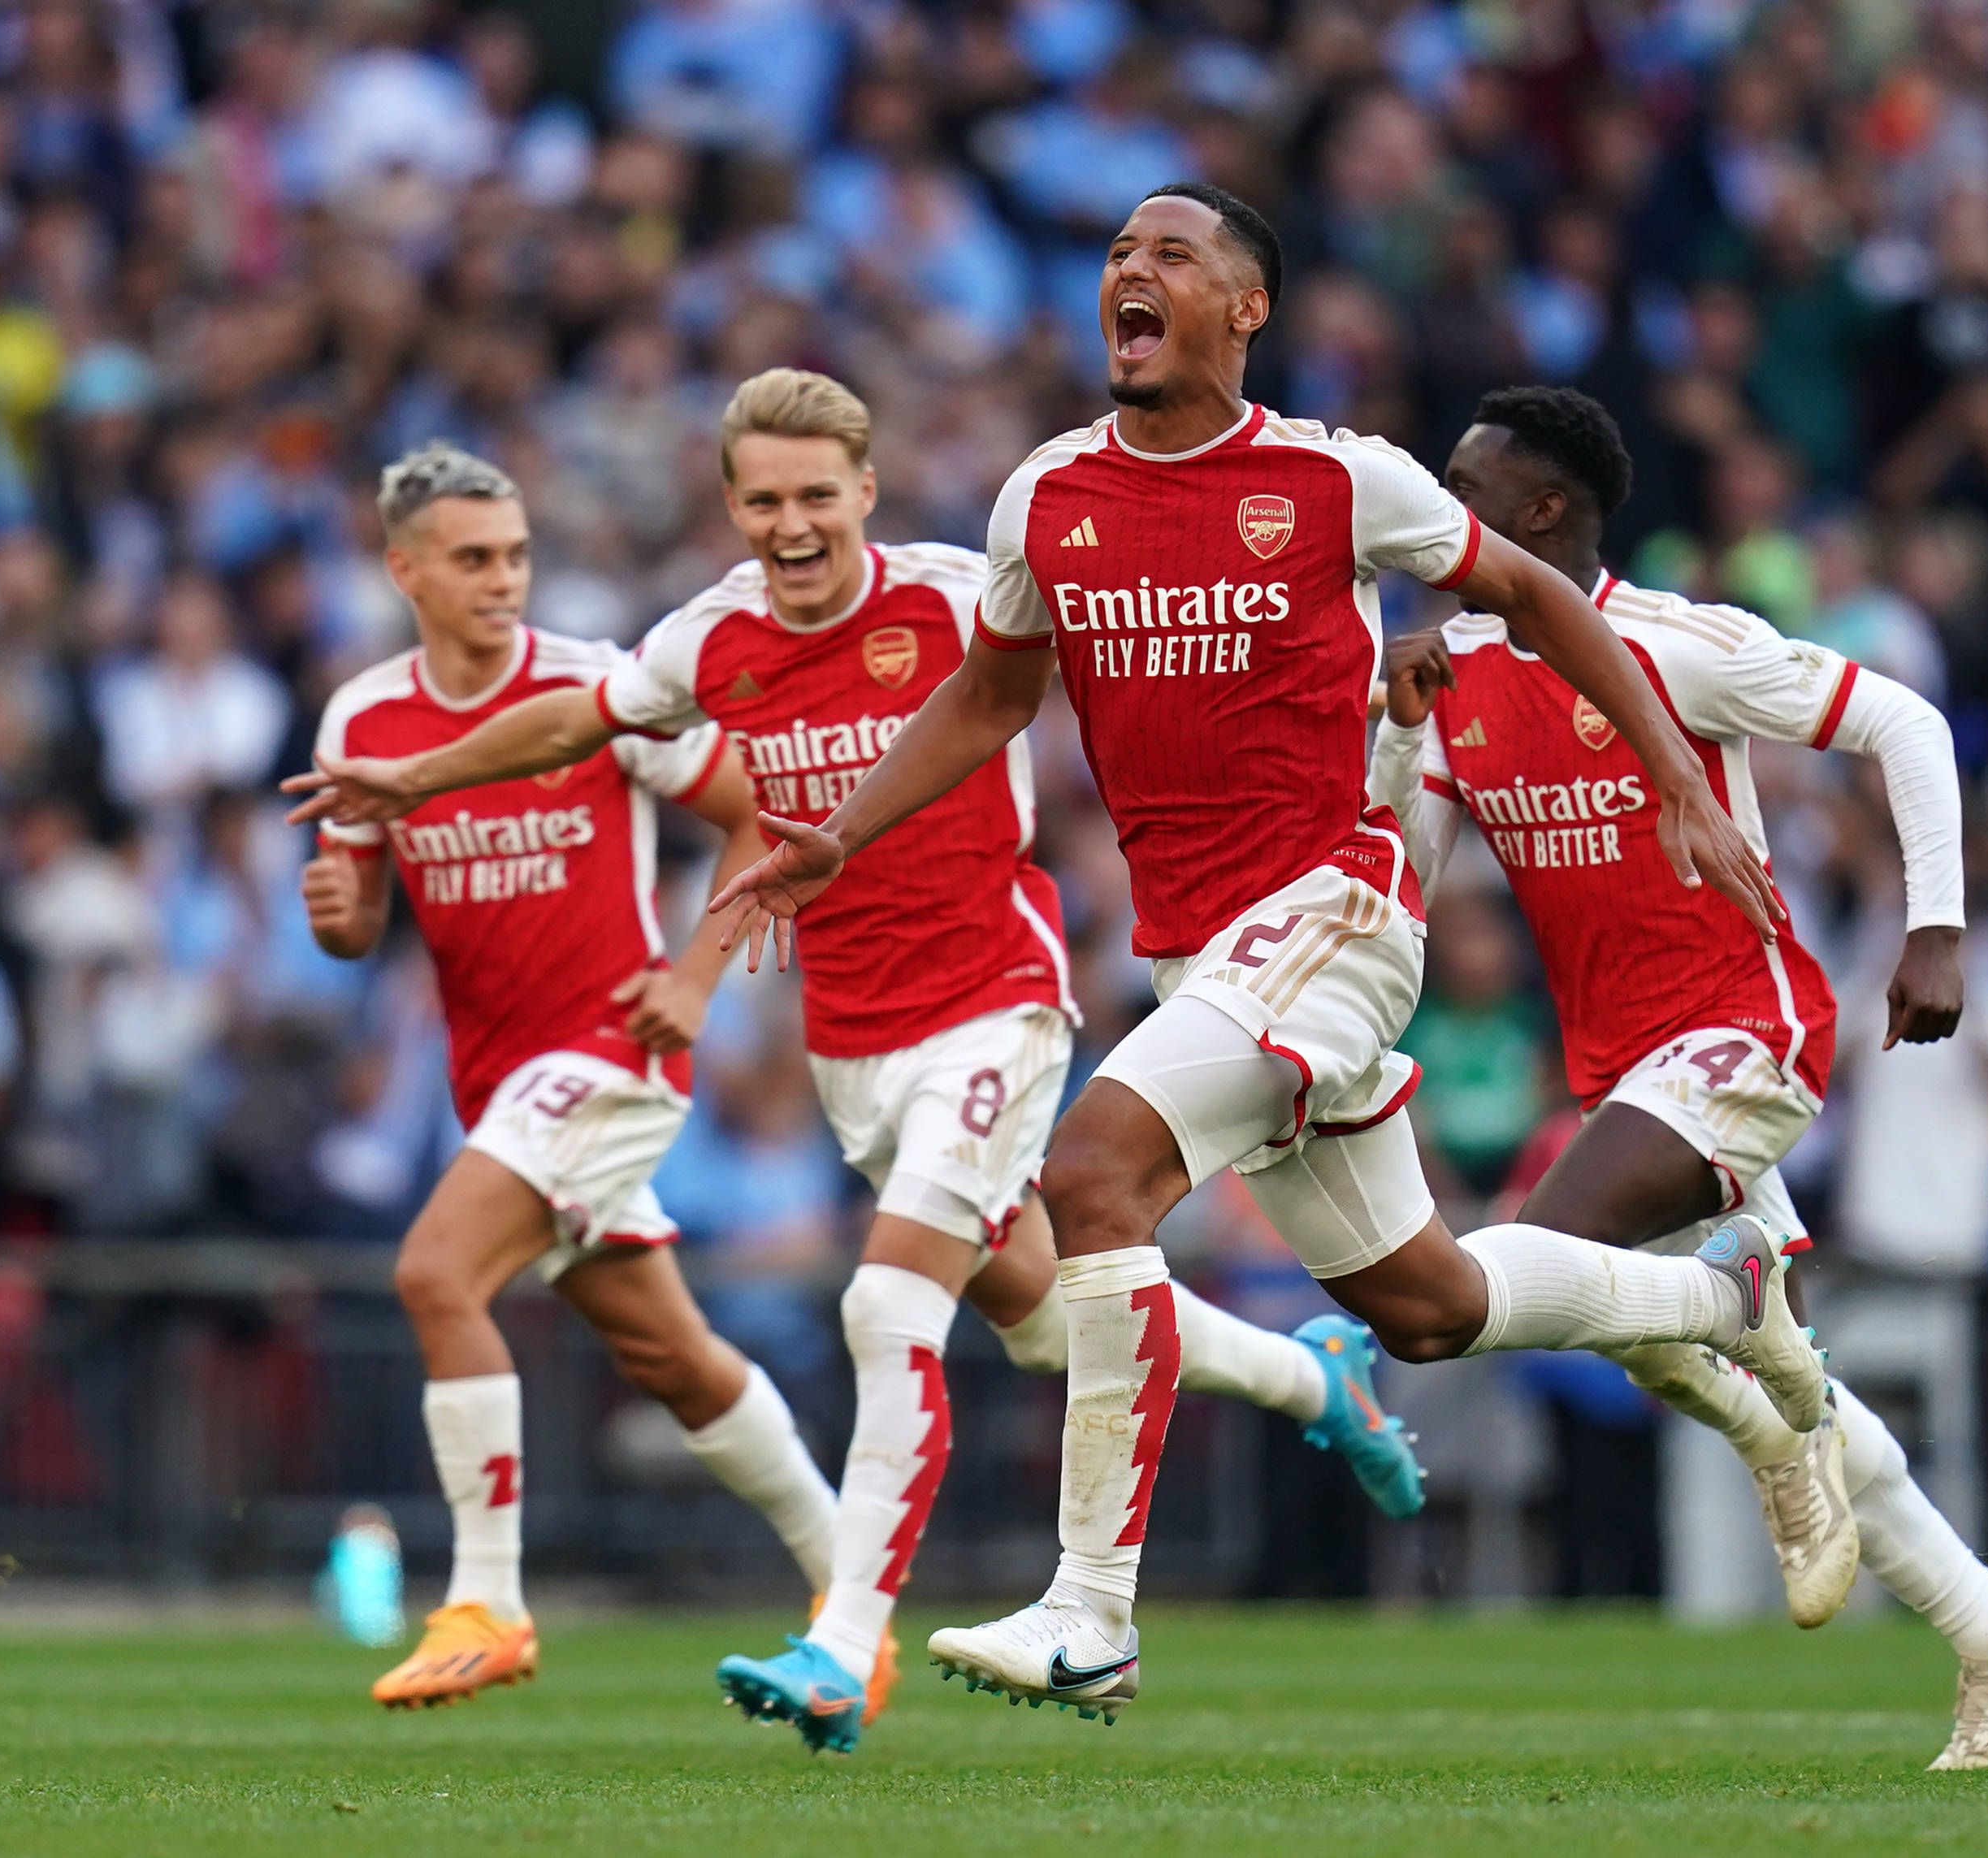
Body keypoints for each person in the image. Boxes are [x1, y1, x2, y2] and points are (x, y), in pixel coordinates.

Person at [709, 184, 1827, 1720]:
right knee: (1426, 1310)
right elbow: (985, 700)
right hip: (1202, 958)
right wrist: (845, 826)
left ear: (1246, 308)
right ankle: (1727, 1299)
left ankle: (1092, 1614)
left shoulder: (1336, 480)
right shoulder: (1044, 498)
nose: (1131, 270)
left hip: (1335, 917)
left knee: (1093, 1169)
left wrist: (1682, 778)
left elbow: (1541, 595)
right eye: (1116, 252)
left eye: (1172, 253)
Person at [286, 371, 1428, 1754]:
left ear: (865, 493)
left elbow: (1167, 642)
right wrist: (422, 779)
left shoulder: (962, 592)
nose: (793, 525)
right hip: (855, 1045)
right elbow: (579, 720)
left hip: (997, 1007)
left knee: (889, 1307)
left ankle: (842, 1641)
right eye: (763, 501)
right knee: (1044, 1320)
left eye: (817, 495)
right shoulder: (709, 638)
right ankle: (1319, 1378)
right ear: (734, 507)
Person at [1370, 384, 1988, 1771]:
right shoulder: (1457, 674)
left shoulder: (1674, 647)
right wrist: (1398, 727)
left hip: (1744, 1030)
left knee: (1541, 1263)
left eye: (1467, 488)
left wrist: (1936, 928)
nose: (1437, 518)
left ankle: (1762, 1405)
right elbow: (1405, 879)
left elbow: (1910, 727)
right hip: (1622, 1068)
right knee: (1691, 1346)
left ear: (1544, 510)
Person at [297, 444, 838, 1711]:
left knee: (435, 1273)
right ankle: (848, 1576)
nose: (502, 581)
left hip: (612, 1052)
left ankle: (489, 1599)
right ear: (407, 570)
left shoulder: (596, 690)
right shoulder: (364, 720)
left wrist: (699, 980)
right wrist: (335, 912)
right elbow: (355, 913)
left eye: (517, 557)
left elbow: (762, 811)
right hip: (495, 1083)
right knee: (673, 1354)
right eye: (475, 560)